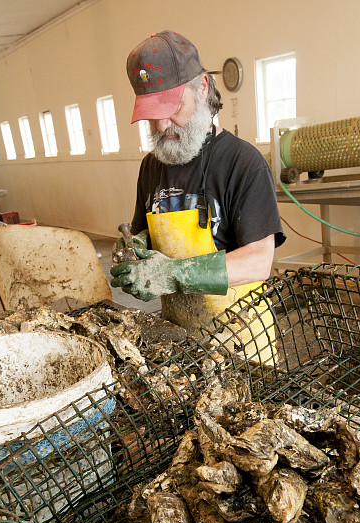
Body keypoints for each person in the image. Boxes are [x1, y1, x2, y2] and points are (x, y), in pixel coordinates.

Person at [111, 29, 285, 332]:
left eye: (172, 108)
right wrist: (134, 248)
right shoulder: (151, 166)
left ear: (202, 88)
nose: (162, 124)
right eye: (153, 114)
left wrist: (173, 274)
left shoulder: (244, 163)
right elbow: (145, 233)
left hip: (240, 337)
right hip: (180, 333)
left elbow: (258, 261)